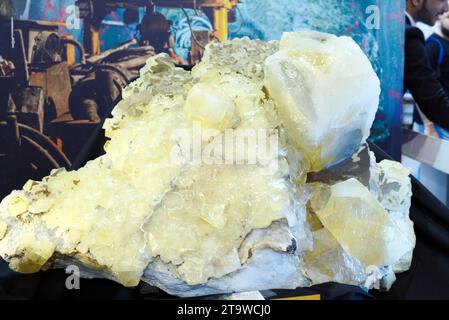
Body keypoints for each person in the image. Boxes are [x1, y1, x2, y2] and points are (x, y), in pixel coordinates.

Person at [404, 0, 449, 131]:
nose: (446, 8)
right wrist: (429, 126)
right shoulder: (410, 36)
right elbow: (431, 98)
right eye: (441, 0)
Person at [425, 11, 449, 139]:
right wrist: (429, 125)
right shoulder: (433, 45)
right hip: (436, 124)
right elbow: (421, 87)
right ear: (440, 18)